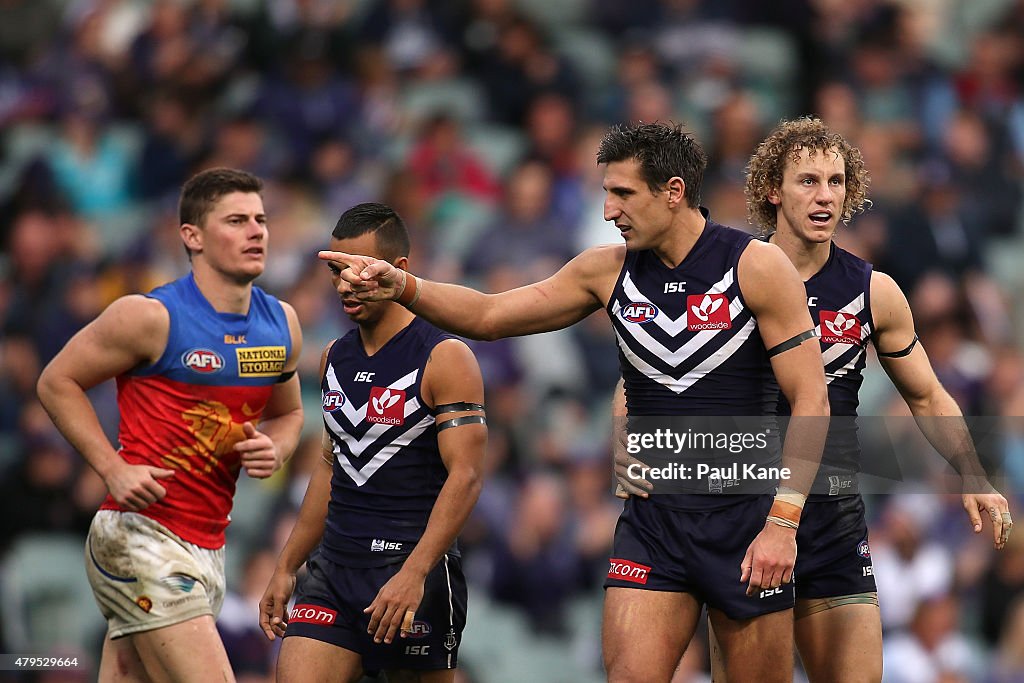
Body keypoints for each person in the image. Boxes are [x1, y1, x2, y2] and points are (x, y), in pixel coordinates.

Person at [319, 123, 830, 683]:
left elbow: (811, 398)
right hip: (653, 524)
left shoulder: (755, 265)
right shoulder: (603, 271)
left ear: (674, 191)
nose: (608, 210)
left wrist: (783, 523)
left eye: (623, 193)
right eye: (606, 193)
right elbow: (490, 316)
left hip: (746, 521)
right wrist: (405, 287)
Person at [621, 117, 1014, 683]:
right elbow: (649, 368)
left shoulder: (873, 292)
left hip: (831, 520)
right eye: (808, 180)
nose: (824, 194)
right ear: (772, 191)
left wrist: (972, 474)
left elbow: (928, 396)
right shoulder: (727, 275)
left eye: (835, 181)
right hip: (744, 518)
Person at [36, 167, 304, 682]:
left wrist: (279, 446)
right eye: (237, 220)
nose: (257, 231)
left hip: (209, 547)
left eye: (261, 219)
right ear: (193, 236)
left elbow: (289, 413)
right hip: (141, 537)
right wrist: (111, 468)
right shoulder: (149, 317)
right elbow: (56, 382)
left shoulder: (282, 323)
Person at [259, 202, 487, 683]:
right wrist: (287, 565)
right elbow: (329, 463)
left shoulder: (445, 357)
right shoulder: (332, 357)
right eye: (336, 269)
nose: (344, 284)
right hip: (333, 571)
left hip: (409, 573)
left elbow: (466, 476)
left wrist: (415, 573)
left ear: (398, 270)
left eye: (359, 270)